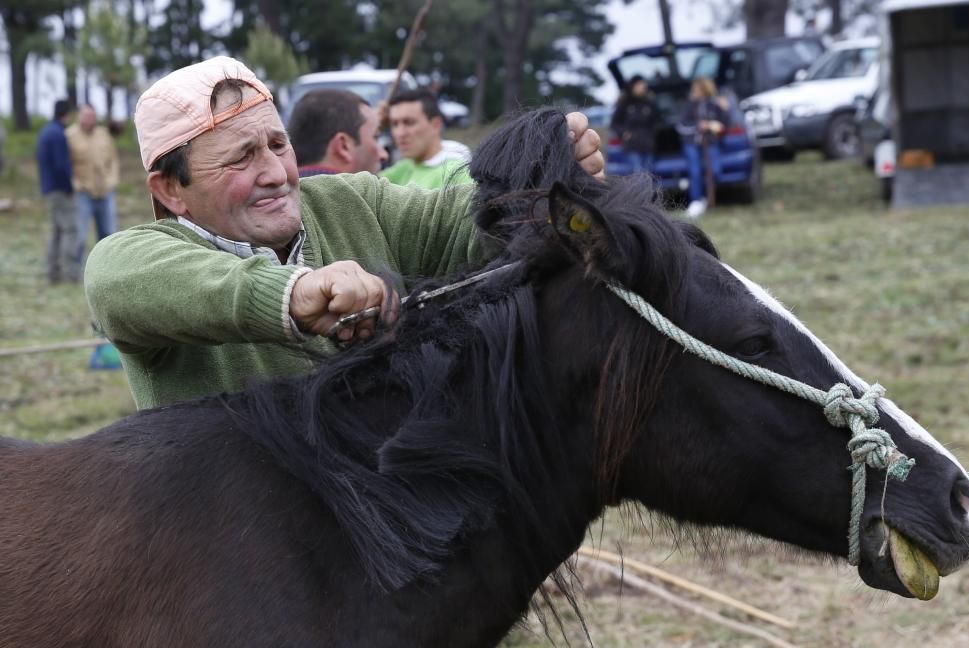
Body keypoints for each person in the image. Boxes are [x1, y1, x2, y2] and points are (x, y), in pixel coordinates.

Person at [84, 56, 604, 410]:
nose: (275, 173)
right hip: (226, 556)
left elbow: (454, 225)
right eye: (241, 157)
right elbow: (113, 279)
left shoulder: (349, 201)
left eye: (277, 144)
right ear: (172, 190)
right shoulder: (151, 261)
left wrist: (541, 185)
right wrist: (291, 296)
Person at [380, 88, 473, 188]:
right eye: (394, 124)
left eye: (409, 122)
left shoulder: (457, 174)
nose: (400, 133)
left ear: (436, 125)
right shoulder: (406, 165)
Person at [287, 88, 388, 176]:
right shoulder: (356, 197)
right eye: (375, 137)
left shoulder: (279, 194)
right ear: (343, 146)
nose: (384, 155)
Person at [66, 103, 120, 261]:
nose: (90, 119)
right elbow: (66, 165)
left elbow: (113, 160)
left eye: (93, 116)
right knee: (79, 235)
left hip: (106, 191)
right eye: (86, 116)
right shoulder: (69, 135)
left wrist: (112, 180)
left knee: (108, 233)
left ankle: (106, 266)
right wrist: (75, 184)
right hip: (83, 192)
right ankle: (77, 271)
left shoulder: (103, 134)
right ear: (79, 116)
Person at [36, 99, 78, 284]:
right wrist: (70, 187)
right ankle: (71, 274)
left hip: (48, 188)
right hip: (60, 189)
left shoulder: (45, 132)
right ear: (66, 114)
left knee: (56, 231)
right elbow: (62, 165)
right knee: (70, 230)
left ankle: (53, 273)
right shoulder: (59, 134)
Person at [678, 77, 730, 219]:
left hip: (711, 142)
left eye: (697, 89)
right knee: (694, 170)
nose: (694, 91)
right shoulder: (689, 105)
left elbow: (725, 123)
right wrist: (699, 127)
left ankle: (707, 197)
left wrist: (725, 110)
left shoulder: (715, 104)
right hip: (691, 143)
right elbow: (681, 126)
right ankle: (696, 200)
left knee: (715, 171)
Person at [610, 76, 659, 174]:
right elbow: (614, 123)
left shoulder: (649, 103)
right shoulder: (624, 104)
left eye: (643, 85)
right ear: (633, 86)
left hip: (648, 145)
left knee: (650, 175)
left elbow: (655, 122)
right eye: (640, 85)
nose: (643, 87)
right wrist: (623, 133)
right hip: (632, 146)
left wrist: (652, 135)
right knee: (637, 174)